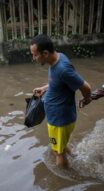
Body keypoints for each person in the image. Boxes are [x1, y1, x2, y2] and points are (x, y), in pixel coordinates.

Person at [30, 34, 92, 168]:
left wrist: (87, 99)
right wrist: (45, 88)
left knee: (57, 152)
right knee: (60, 146)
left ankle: (64, 180)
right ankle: (73, 155)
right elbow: (59, 83)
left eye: (35, 55)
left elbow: (86, 87)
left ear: (45, 53)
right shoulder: (58, 58)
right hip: (57, 117)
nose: (33, 58)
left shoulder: (63, 69)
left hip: (60, 120)